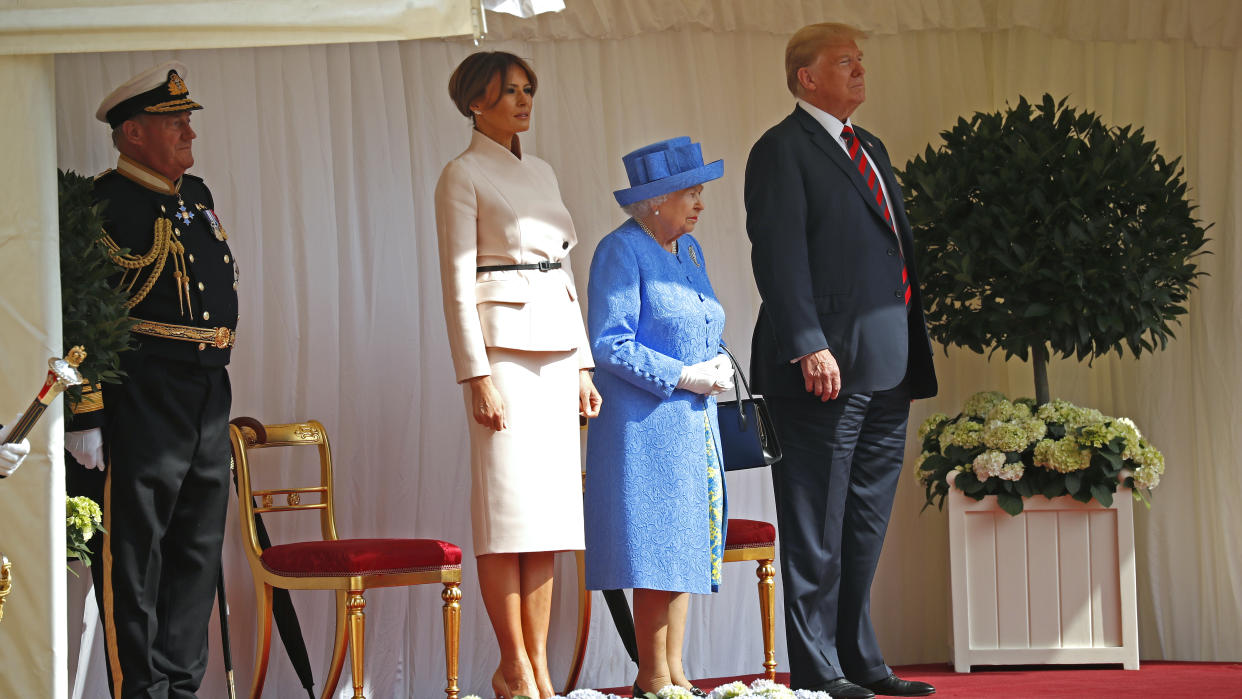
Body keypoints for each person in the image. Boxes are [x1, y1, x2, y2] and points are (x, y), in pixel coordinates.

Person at [744, 23, 939, 699]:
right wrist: (808, 341)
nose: (860, 72)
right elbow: (778, 255)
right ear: (808, 77)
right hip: (819, 368)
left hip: (888, 364)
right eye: (846, 63)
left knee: (862, 523)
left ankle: (859, 657)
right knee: (815, 521)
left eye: (861, 61)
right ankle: (819, 668)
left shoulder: (871, 147)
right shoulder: (780, 151)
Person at [63, 61, 239, 698]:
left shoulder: (197, 195)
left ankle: (182, 686)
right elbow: (77, 310)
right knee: (135, 554)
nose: (189, 131)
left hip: (208, 389)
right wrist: (85, 414)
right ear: (133, 132)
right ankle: (140, 688)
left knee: (197, 548)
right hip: (140, 390)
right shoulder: (99, 204)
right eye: (174, 122)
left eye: (187, 118)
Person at [434, 51, 602, 699]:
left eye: (529, 89)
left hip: (558, 354)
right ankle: (517, 665)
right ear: (477, 101)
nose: (524, 100)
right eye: (510, 91)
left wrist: (583, 362)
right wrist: (474, 374)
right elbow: (455, 283)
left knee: (552, 519)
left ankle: (535, 667)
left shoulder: (545, 170)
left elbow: (562, 271)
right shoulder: (461, 174)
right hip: (501, 356)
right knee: (505, 515)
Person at [584, 137, 732, 698]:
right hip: (644, 425)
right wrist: (683, 375)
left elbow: (702, 321)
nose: (699, 204)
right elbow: (610, 344)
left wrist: (715, 359)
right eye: (690, 194)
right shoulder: (620, 251)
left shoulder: (688, 253)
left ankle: (676, 674)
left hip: (694, 424)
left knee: (686, 543)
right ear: (654, 202)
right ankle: (653, 676)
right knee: (655, 547)